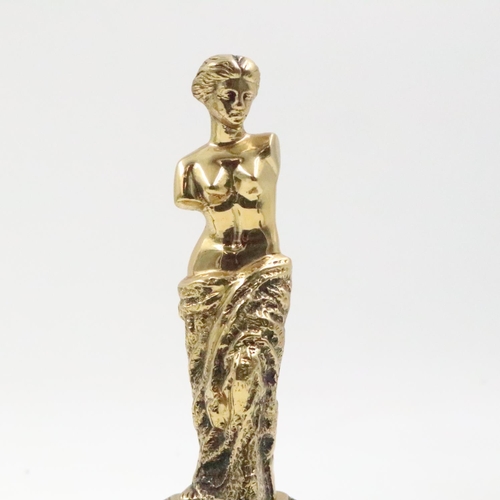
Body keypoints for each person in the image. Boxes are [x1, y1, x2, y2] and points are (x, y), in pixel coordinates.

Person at [174, 55, 292, 500]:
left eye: (247, 95)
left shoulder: (265, 147)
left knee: (253, 371)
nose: (238, 103)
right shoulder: (190, 167)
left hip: (262, 275)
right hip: (208, 279)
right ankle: (212, 484)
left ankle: (254, 484)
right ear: (206, 97)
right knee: (210, 390)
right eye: (228, 94)